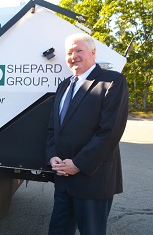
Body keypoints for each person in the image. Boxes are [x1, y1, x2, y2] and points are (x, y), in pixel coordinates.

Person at [46, 33, 129, 235]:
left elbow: (109, 132)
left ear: (93, 52)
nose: (73, 55)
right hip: (63, 179)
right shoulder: (64, 85)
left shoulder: (112, 81)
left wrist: (78, 164)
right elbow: (53, 128)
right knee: (57, 231)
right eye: (69, 52)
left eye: (78, 50)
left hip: (92, 180)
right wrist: (52, 156)